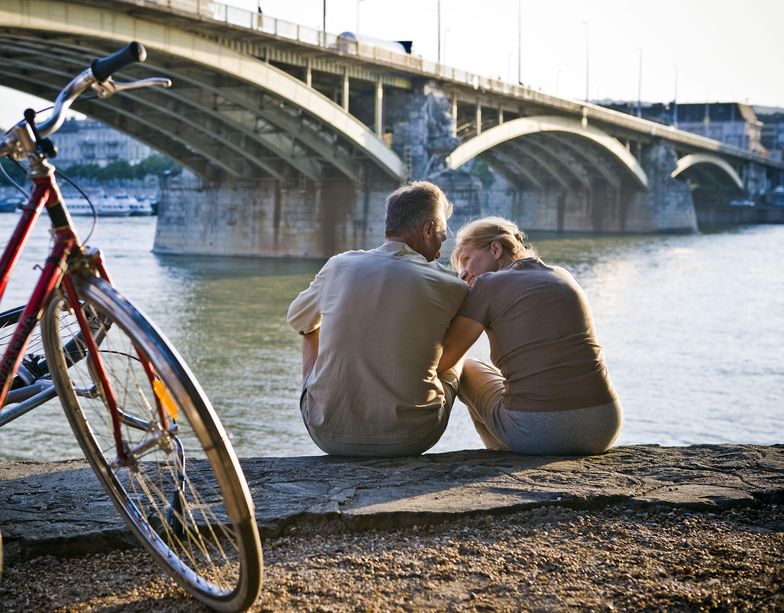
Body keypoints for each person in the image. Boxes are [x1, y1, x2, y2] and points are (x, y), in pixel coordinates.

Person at [287, 181, 468, 456]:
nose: (440, 253)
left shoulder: (339, 265)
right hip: (411, 437)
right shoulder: (451, 284)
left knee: (309, 327)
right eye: (441, 237)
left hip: (327, 433)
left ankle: (328, 402)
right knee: (462, 354)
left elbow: (297, 319)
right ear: (428, 229)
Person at [437, 216, 623, 455]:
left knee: (466, 367)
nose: (463, 272)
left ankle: (499, 453)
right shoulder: (562, 275)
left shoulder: (488, 285)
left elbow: (446, 360)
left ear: (495, 248)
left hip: (538, 431)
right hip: (604, 426)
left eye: (466, 260)